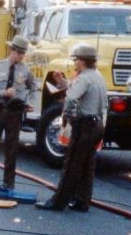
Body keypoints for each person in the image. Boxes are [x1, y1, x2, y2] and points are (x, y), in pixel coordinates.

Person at [36, 43, 107, 212]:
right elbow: (81, 90)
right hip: (96, 124)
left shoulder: (84, 78)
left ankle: (58, 201)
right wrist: (62, 83)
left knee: (72, 165)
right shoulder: (97, 76)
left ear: (82, 61)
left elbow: (71, 98)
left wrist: (67, 116)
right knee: (87, 166)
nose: (75, 64)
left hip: (84, 125)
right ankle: (82, 201)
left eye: (76, 60)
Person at [0, 36, 36, 190]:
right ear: (12, 50)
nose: (21, 56)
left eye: (23, 53)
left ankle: (8, 184)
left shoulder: (25, 70)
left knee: (11, 150)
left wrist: (29, 100)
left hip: (14, 113)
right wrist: (3, 93)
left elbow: (33, 86)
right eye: (18, 52)